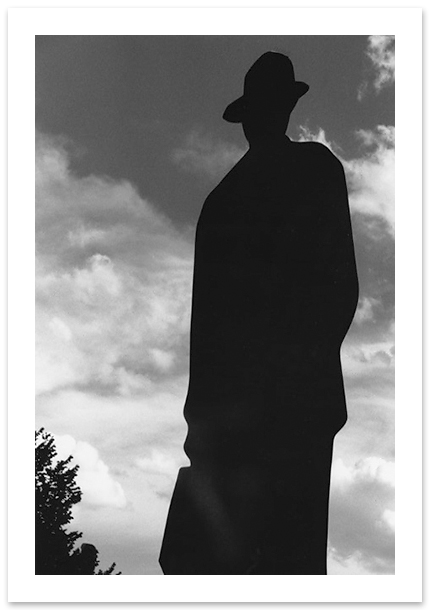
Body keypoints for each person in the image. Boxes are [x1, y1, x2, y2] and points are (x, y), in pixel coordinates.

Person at [159, 51, 359, 575]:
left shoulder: (227, 200)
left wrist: (203, 420)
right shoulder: (250, 192)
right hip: (273, 412)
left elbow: (337, 289)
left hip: (262, 414)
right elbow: (337, 289)